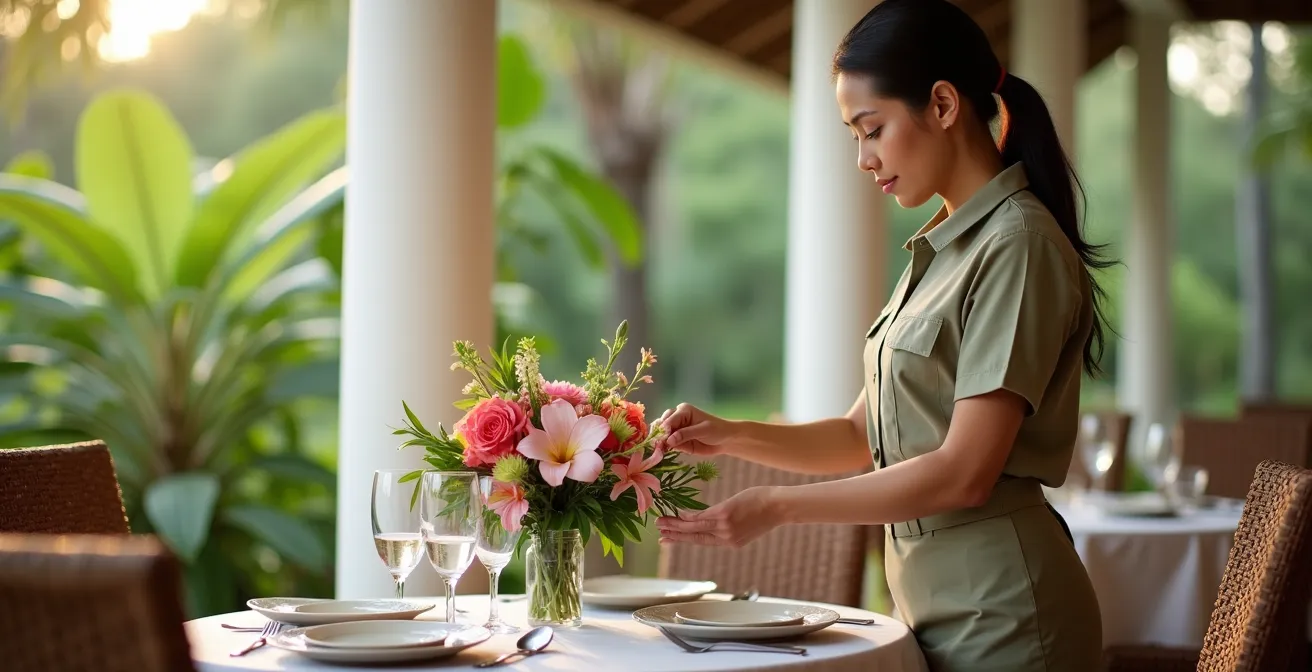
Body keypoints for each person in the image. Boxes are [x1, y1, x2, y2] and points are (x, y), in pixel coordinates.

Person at [652, 1, 1109, 670]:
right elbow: (859, 440)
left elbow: (964, 474)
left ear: (944, 104)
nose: (863, 159)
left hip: (1008, 620)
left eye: (873, 129)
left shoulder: (1018, 245)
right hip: (932, 612)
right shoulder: (942, 251)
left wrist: (776, 508)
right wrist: (730, 434)